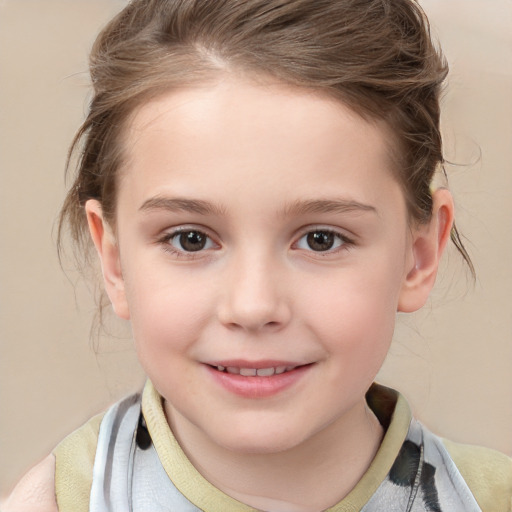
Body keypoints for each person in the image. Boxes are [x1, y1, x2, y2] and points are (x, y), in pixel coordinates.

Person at [4, 0, 512, 510]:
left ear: (419, 255)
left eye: (321, 239)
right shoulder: (61, 500)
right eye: (191, 239)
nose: (253, 306)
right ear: (113, 261)